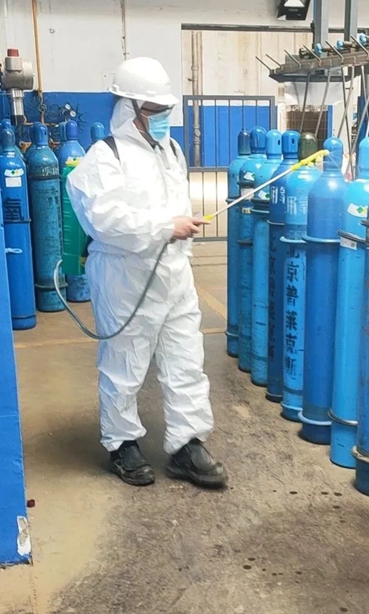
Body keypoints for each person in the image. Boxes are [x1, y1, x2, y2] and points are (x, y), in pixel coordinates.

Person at [67, 57, 227, 488]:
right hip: (125, 276)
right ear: (129, 108)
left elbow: (174, 205)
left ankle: (187, 444)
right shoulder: (104, 158)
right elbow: (104, 220)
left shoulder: (171, 151)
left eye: (165, 110)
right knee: (125, 362)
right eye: (154, 111)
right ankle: (121, 443)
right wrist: (165, 227)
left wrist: (182, 229)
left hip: (174, 273)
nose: (162, 119)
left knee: (186, 359)